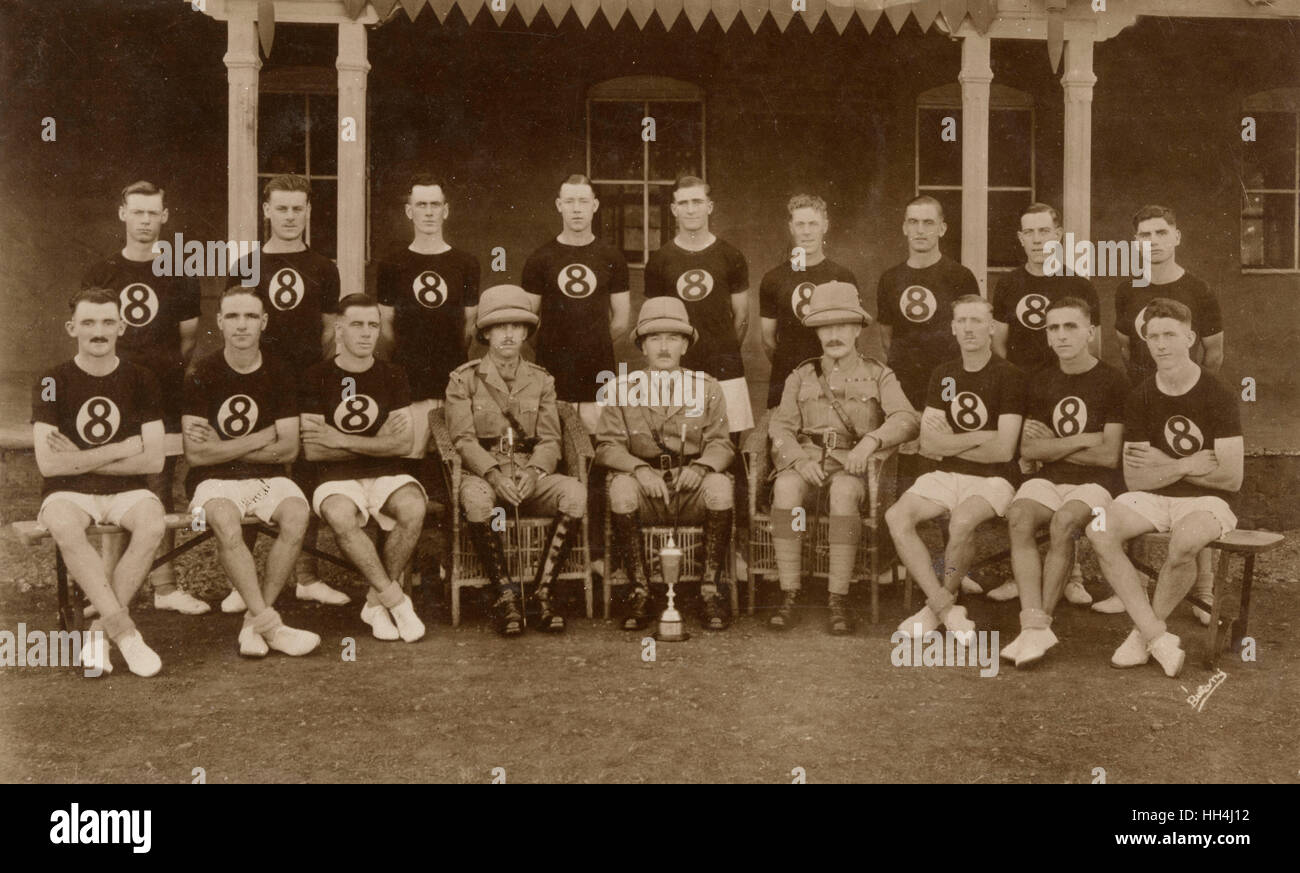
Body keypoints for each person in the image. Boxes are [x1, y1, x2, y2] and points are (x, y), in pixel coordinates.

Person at [1086, 298, 1242, 679]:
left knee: (1185, 544)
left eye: (1169, 334)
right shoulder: (1139, 395)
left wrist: (1162, 463)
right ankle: (1157, 634)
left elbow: (1231, 477)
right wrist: (1187, 463)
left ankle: (1142, 634)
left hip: (1207, 501)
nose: (1160, 344)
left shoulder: (1218, 394)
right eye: (1153, 336)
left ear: (1189, 338)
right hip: (1152, 496)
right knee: (1098, 529)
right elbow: (1135, 478)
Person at [222, 173, 349, 612]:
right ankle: (244, 584)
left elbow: (330, 331)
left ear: (308, 212)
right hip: (259, 386)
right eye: (282, 208)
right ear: (266, 211)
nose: (290, 216)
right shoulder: (247, 265)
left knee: (307, 476)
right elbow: (236, 327)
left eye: (298, 209)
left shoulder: (323, 267)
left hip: (308, 384)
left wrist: (316, 379)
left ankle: (307, 577)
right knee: (253, 474)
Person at [767, 282, 919, 634]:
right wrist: (797, 461)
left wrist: (871, 442)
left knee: (844, 493)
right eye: (826, 326)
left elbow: (907, 419)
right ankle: (790, 591)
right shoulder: (801, 374)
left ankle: (838, 596)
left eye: (842, 325)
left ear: (857, 329)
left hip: (853, 463)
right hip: (807, 460)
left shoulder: (878, 373)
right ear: (817, 331)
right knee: (787, 488)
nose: (834, 334)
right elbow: (780, 426)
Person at [32, 287, 168, 676]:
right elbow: (48, 465)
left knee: (152, 523)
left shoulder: (141, 378)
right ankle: (125, 633)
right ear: (72, 327)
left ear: (122, 327)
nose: (99, 330)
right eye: (89, 322)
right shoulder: (51, 380)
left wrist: (78, 457)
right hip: (68, 494)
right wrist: (121, 447)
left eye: (108, 321)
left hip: (129, 491)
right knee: (63, 525)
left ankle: (97, 631)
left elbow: (154, 459)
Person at [82, 181, 203, 613]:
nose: (146, 221)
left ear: (165, 217)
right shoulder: (103, 273)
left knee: (159, 483)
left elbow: (187, 341)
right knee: (110, 484)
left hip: (164, 395)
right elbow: (92, 333)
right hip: (113, 395)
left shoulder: (181, 273)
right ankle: (108, 591)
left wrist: (156, 373)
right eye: (138, 212)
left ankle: (166, 587)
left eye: (154, 213)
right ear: (123, 214)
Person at [182, 286, 320, 658]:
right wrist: (261, 436)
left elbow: (289, 448)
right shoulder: (202, 372)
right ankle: (269, 625)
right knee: (226, 521)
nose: (241, 325)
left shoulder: (280, 371)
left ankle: (253, 623)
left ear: (263, 322)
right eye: (233, 316)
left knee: (296, 514)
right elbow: (196, 455)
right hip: (212, 482)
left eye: (249, 317)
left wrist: (222, 447)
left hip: (266, 478)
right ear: (220, 321)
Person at [1103, 204, 1225, 622]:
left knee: (1196, 488)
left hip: (1191, 404)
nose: (1152, 242)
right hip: (1144, 401)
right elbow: (1124, 349)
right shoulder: (1127, 289)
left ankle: (1204, 589)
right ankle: (1131, 584)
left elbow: (1214, 353)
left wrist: (1191, 397)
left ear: (1176, 237)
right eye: (1143, 235)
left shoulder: (1199, 289)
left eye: (1160, 233)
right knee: (1137, 483)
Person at [445, 285, 587, 636]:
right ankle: (505, 595)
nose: (508, 335)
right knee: (476, 500)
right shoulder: (463, 379)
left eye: (516, 327)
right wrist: (493, 476)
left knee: (575, 493)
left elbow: (552, 438)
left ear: (526, 332)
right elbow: (462, 439)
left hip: (529, 471)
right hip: (486, 472)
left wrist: (536, 472)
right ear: (486, 333)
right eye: (499, 327)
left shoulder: (541, 380)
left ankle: (542, 592)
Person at [885, 295, 1025, 648]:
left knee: (961, 521)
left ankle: (937, 606)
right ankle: (945, 606)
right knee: (896, 516)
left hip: (996, 477)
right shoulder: (944, 374)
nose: (969, 328)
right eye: (961, 321)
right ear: (952, 328)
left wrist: (954, 438)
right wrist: (981, 435)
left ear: (991, 327)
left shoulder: (1009, 376)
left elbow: (1004, 449)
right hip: (947, 474)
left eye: (977, 321)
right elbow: (929, 445)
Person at [1000, 298, 1127, 667]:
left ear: (1090, 332)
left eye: (1070, 326)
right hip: (1049, 479)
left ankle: (1041, 624)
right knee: (1019, 517)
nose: (1061, 335)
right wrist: (1082, 438)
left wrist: (1051, 447)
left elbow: (1108, 456)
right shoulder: (1040, 380)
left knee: (1064, 522)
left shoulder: (1113, 380)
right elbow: (1027, 448)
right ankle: (1031, 624)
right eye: (1053, 328)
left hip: (1096, 484)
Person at [595, 298, 735, 631]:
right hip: (645, 488)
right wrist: (638, 469)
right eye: (655, 338)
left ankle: (709, 589)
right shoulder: (621, 388)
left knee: (720, 487)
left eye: (673, 338)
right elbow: (606, 446)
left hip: (690, 487)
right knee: (621, 491)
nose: (663, 346)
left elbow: (721, 443)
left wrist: (701, 468)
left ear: (686, 344)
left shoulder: (707, 388)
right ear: (642, 344)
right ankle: (640, 590)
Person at [987, 202, 1100, 605]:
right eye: (1029, 233)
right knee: (1027, 480)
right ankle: (1023, 575)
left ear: (1058, 234)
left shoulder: (1079, 286)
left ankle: (1074, 574)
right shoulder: (1009, 284)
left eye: (1044, 232)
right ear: (1020, 238)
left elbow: (1095, 346)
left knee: (1065, 473)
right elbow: (999, 343)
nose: (1037, 240)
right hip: (1024, 396)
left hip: (1068, 395)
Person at [300, 294, 427, 643]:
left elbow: (403, 444)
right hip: (335, 480)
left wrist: (337, 439)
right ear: (339, 328)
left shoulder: (393, 374)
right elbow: (312, 449)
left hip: (387, 474)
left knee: (414, 507)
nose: (366, 333)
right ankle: (395, 601)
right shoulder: (316, 376)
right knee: (341, 516)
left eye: (373, 325)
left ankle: (374, 601)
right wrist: (377, 442)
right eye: (357, 324)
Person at [875, 195, 982, 590]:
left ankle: (951, 566)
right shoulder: (890, 278)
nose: (920, 230)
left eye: (927, 223)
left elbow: (967, 330)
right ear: (904, 227)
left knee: (944, 470)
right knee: (903, 473)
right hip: (904, 385)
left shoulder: (959, 275)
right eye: (912, 222)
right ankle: (897, 562)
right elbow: (888, 339)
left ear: (942, 228)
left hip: (949, 385)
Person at [377, 174, 480, 466]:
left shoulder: (466, 263)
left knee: (457, 464)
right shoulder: (392, 264)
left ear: (445, 210)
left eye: (435, 204)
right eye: (421, 204)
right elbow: (386, 328)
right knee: (410, 458)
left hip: (453, 384)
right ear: (410, 211)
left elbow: (469, 327)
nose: (429, 211)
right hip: (410, 383)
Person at [643, 176, 753, 434]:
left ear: (709, 206)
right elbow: (652, 323)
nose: (691, 209)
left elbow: (742, 317)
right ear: (674, 209)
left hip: (724, 365)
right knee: (678, 441)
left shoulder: (731, 256)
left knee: (727, 443)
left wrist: (721, 348)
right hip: (676, 367)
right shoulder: (660, 260)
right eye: (684, 203)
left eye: (697, 202)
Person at [523, 173, 630, 435]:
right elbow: (527, 321)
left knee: (599, 445)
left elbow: (621, 320)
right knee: (554, 442)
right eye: (570, 201)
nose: (577, 209)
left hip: (598, 370)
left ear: (595, 205)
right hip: (553, 372)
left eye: (583, 201)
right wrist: (556, 346)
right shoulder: (540, 258)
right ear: (559, 205)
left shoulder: (612, 256)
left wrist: (592, 343)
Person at [759, 194, 857, 410]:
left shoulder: (842, 275)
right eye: (800, 224)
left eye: (813, 224)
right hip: (787, 376)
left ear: (825, 226)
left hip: (833, 377)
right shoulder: (774, 278)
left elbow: (852, 335)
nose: (806, 231)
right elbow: (768, 340)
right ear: (791, 228)